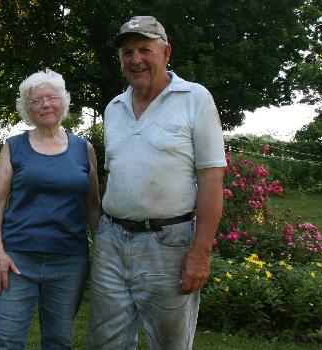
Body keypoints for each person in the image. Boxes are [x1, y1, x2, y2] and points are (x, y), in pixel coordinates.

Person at [87, 16, 226, 350]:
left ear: (166, 53)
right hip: (111, 241)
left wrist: (200, 252)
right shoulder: (114, 108)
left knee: (170, 344)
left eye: (144, 50)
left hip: (169, 244)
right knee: (106, 342)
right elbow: (115, 174)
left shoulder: (195, 98)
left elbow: (211, 180)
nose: (135, 59)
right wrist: (101, 231)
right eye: (127, 52)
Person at [0, 68, 101, 349]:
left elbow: (93, 206)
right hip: (17, 260)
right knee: (6, 341)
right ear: (27, 109)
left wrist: (105, 251)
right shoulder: (14, 146)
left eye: (52, 98)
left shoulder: (83, 149)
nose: (46, 104)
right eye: (37, 101)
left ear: (63, 102)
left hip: (69, 261)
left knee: (58, 341)